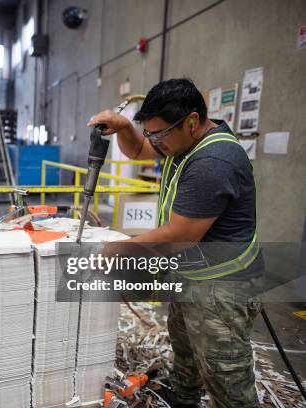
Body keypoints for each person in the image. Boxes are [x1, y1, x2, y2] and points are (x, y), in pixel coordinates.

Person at [88, 78, 262, 407]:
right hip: (192, 273)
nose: (154, 141)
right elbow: (137, 149)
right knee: (184, 344)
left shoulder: (213, 162)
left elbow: (181, 234)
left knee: (226, 375)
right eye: (150, 131)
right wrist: (125, 125)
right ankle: (183, 395)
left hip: (221, 287)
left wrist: (121, 247)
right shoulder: (184, 142)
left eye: (159, 133)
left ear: (192, 121)